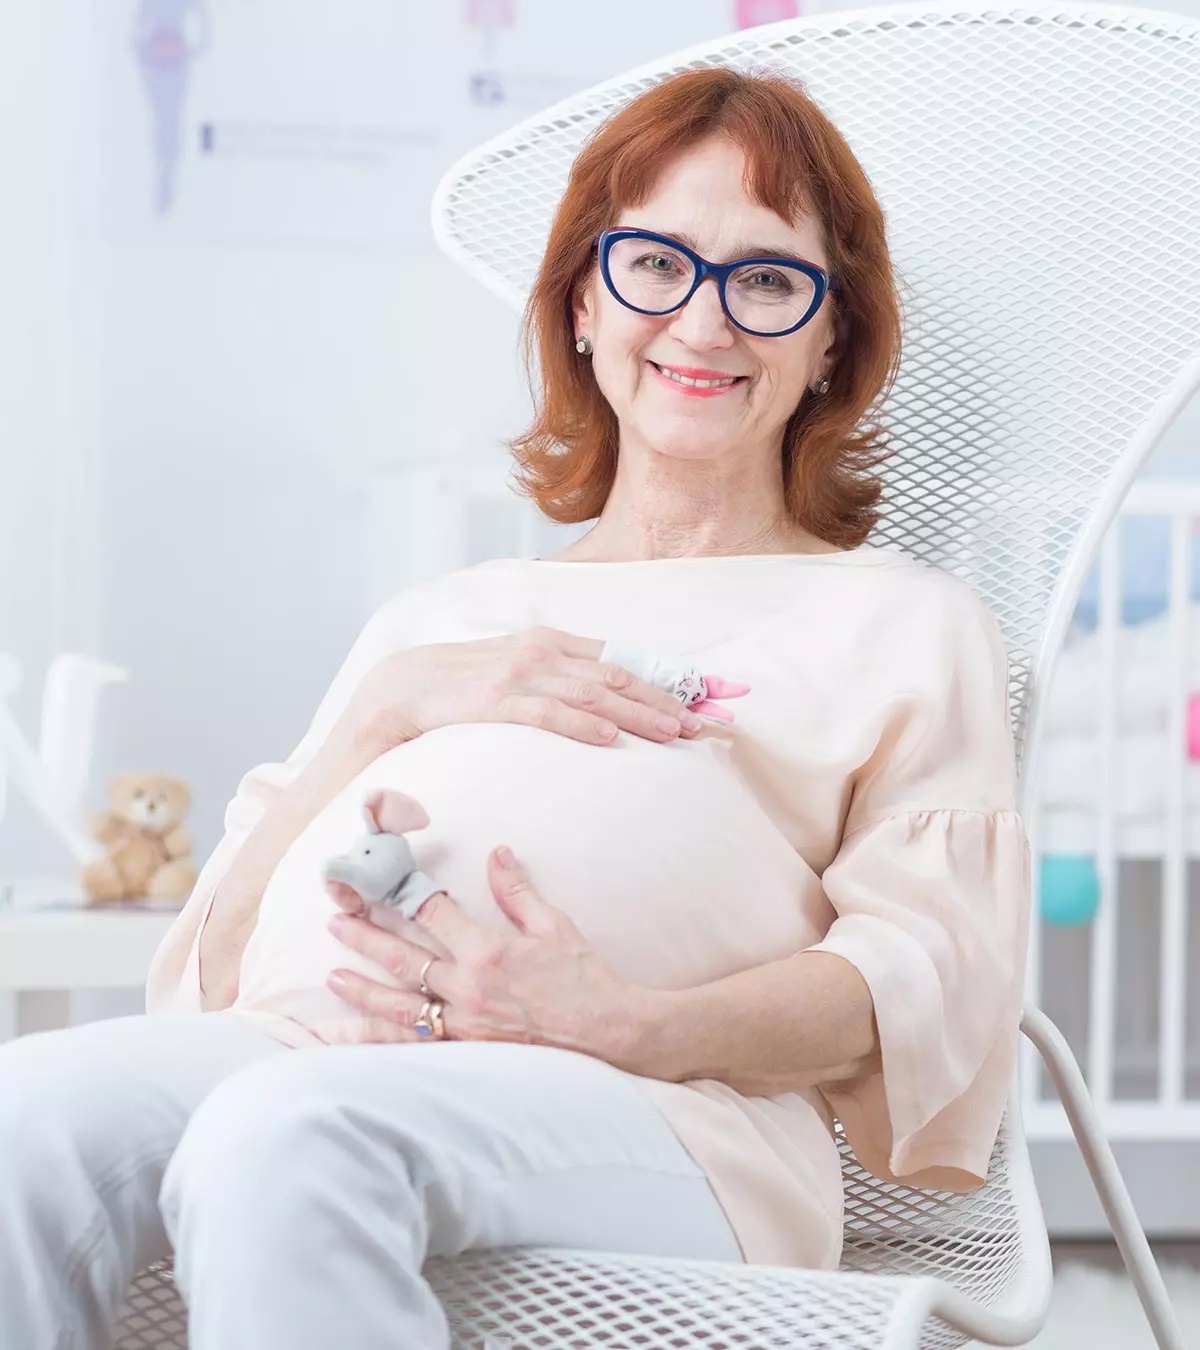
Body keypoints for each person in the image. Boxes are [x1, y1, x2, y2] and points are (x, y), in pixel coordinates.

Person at [0, 66, 1031, 1350]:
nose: (705, 323)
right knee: (23, 1112)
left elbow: (927, 980)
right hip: (314, 1043)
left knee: (290, 1142)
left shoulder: (906, 623)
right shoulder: (440, 614)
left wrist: (630, 1023)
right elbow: (207, 973)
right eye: (655, 262)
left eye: (768, 279)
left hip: (665, 1110)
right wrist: (385, 709)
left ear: (831, 341)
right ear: (586, 306)